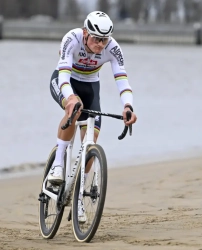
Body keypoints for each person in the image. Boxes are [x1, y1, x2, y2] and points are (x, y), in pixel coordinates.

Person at [48, 11, 137, 221]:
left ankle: (79, 196)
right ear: (86, 33)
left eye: (104, 39)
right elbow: (63, 74)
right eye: (96, 39)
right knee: (74, 109)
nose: (100, 44)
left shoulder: (113, 48)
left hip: (90, 87)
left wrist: (128, 106)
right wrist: (69, 98)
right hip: (65, 81)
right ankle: (58, 164)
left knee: (91, 138)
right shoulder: (72, 39)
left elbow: (122, 79)